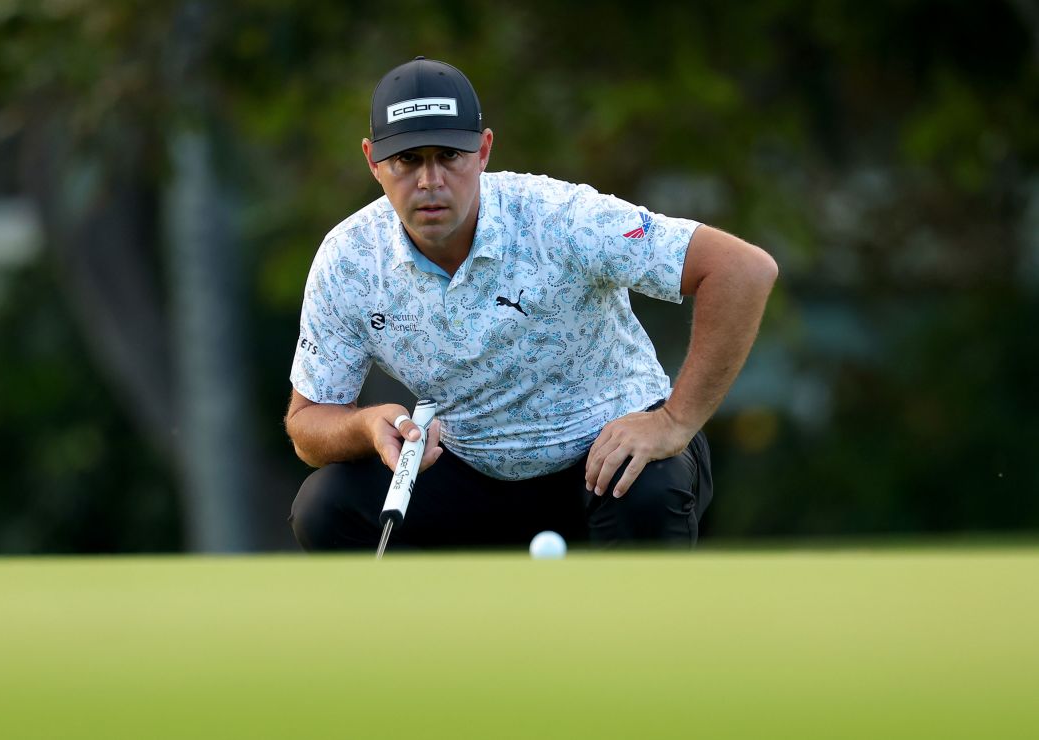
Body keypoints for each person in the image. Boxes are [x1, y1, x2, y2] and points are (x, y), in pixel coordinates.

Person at [284, 56, 777, 551]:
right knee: (326, 507)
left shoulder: (562, 217)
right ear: (373, 161)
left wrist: (674, 422)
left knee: (646, 487)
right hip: (469, 470)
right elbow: (308, 422)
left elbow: (742, 269)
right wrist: (367, 425)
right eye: (408, 159)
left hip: (606, 459)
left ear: (483, 151)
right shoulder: (348, 258)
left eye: (449, 156)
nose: (430, 181)